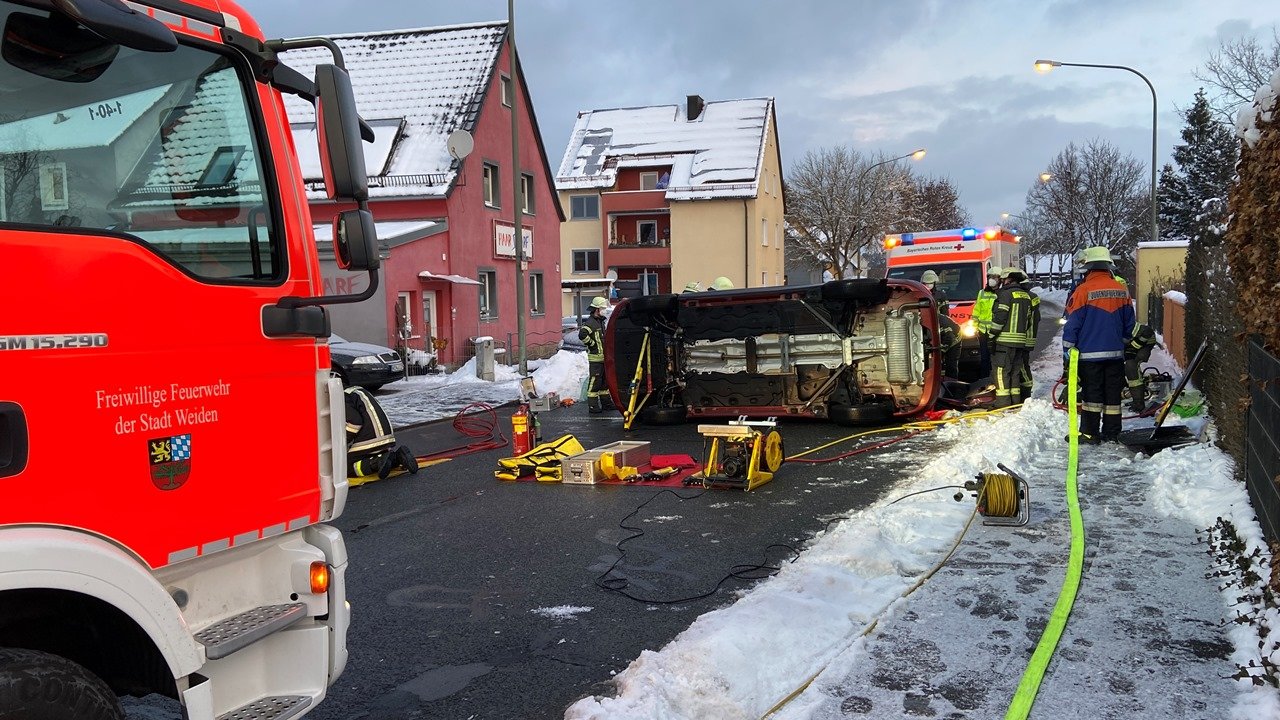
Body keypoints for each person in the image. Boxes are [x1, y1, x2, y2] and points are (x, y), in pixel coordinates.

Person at [1062, 246, 1136, 443]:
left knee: (1092, 395)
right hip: (1115, 355)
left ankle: (1090, 433)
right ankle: (1112, 433)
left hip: (1089, 355)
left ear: (1088, 268)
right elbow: (1129, 322)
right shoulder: (1121, 290)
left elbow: (1073, 323)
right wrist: (1121, 342)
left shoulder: (1083, 290)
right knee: (1113, 396)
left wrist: (1068, 349)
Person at [345, 385, 417, 479]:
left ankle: (376, 463)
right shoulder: (357, 390)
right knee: (378, 459)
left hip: (371, 439)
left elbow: (355, 423)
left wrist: (343, 441)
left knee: (345, 467)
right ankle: (397, 457)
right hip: (386, 435)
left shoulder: (343, 397)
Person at [988, 267, 1035, 408]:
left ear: (1008, 279)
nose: (1001, 281)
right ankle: (1015, 402)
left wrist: (991, 336)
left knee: (1001, 372)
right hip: (1020, 342)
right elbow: (1029, 320)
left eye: (1003, 279)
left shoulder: (1005, 294)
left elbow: (1000, 318)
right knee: (1015, 372)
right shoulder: (1026, 296)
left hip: (1004, 341)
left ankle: (1003, 404)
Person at [921, 270, 960, 378]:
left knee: (951, 364)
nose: (928, 285)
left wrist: (941, 351)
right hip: (930, 328)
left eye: (930, 283)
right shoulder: (920, 296)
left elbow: (945, 314)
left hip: (947, 333)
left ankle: (951, 382)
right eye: (926, 283)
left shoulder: (940, 296)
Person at [580, 296, 611, 413]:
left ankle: (606, 404)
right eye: (603, 308)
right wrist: (592, 344)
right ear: (597, 309)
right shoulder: (591, 322)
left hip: (603, 358)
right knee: (595, 382)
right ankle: (593, 406)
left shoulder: (600, 322)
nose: (604, 310)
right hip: (595, 359)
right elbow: (582, 335)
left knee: (604, 383)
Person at [1014, 267, 1041, 401]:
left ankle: (1026, 393)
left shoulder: (1025, 297)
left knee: (1022, 366)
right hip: (1028, 337)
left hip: (1024, 338)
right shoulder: (1033, 297)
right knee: (1023, 365)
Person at [972, 266, 1002, 380]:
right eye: (990, 277)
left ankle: (996, 379)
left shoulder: (1002, 294)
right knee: (984, 357)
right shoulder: (982, 293)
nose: (992, 279)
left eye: (994, 277)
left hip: (996, 332)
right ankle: (984, 379)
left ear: (1000, 279)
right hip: (983, 331)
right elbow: (976, 311)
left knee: (996, 358)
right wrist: (975, 327)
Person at [1124, 322, 1161, 413]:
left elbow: (1148, 332)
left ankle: (1138, 403)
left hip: (1147, 342)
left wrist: (1133, 347)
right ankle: (1136, 396)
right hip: (1133, 344)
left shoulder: (1127, 326)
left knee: (1131, 366)